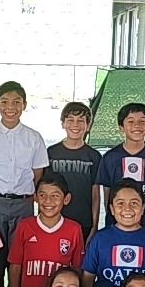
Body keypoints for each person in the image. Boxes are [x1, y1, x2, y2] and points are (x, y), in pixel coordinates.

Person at [0, 81, 50, 266]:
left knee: (21, 258)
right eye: (4, 102)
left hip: (23, 204)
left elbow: (38, 172)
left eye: (17, 102)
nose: (10, 107)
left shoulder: (34, 137)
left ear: (24, 105)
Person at [7, 171, 85, 287]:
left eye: (55, 196)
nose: (48, 201)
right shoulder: (25, 226)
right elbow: (15, 267)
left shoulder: (74, 229)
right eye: (43, 195)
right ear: (35, 197)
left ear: (66, 199)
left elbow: (77, 269)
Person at [96, 102, 145, 235]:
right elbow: (107, 195)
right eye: (130, 121)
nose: (137, 125)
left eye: (142, 121)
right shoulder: (109, 158)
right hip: (115, 228)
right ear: (121, 127)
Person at [47, 101, 103, 240]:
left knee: (79, 261)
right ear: (62, 123)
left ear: (88, 125)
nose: (75, 125)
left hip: (83, 222)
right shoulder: (51, 153)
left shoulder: (94, 156)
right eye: (70, 120)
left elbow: (96, 194)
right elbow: (44, 190)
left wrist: (94, 226)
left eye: (81, 121)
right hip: (55, 221)